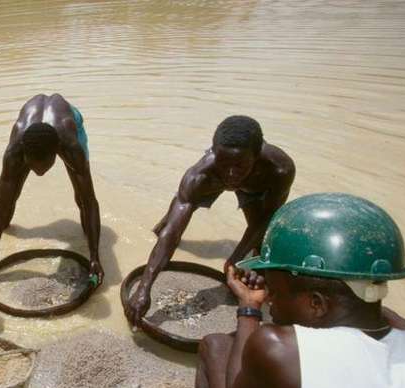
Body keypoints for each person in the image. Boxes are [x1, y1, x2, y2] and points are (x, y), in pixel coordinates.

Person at [176, 193, 405, 388]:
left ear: (316, 303)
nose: (270, 303)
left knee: (215, 348)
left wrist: (249, 309)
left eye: (274, 291)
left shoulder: (278, 346)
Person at [125, 115, 295, 325]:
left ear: (257, 154)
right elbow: (173, 234)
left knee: (260, 244)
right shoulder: (201, 175)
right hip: (212, 181)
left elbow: (266, 220)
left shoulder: (280, 169)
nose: (231, 174)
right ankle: (169, 218)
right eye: (224, 163)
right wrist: (145, 287)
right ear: (213, 152)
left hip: (257, 187)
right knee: (171, 225)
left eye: (239, 165)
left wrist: (236, 258)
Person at [0, 94, 104, 288]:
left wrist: (95, 257)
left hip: (69, 119)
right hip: (29, 128)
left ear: (58, 153)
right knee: (7, 207)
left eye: (45, 166)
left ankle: (93, 248)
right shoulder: (14, 151)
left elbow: (90, 202)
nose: (39, 173)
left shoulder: (70, 146)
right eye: (33, 166)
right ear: (24, 154)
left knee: (81, 200)